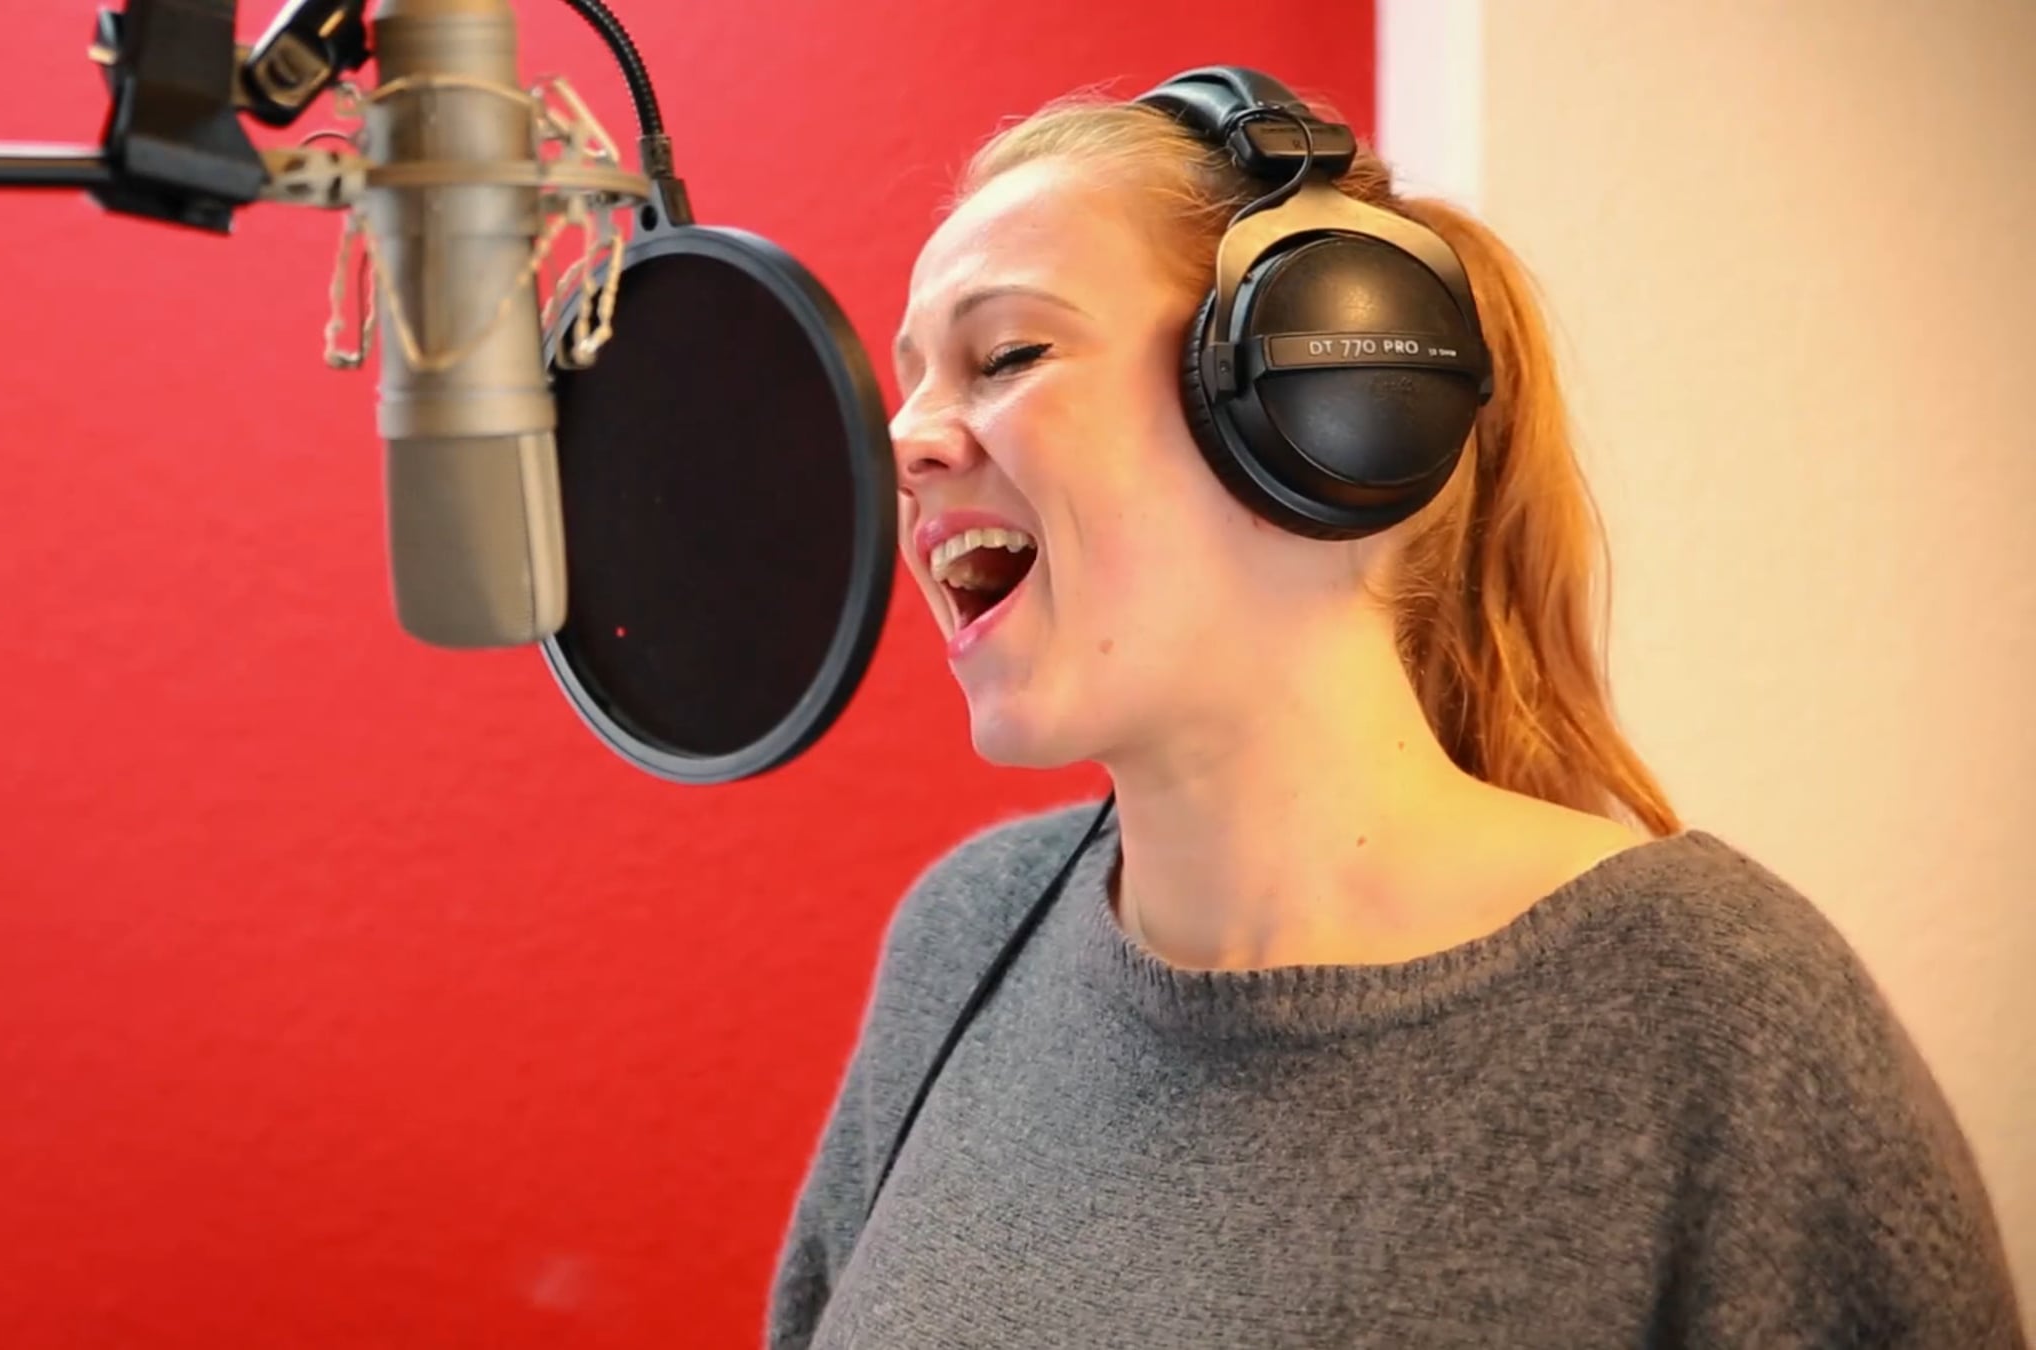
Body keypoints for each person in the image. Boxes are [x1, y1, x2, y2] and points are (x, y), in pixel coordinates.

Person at [764, 67, 2025, 1349]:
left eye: (1008, 355)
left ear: (1328, 399)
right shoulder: (967, 937)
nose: (905, 443)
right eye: (912, 383)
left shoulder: (1711, 1007)